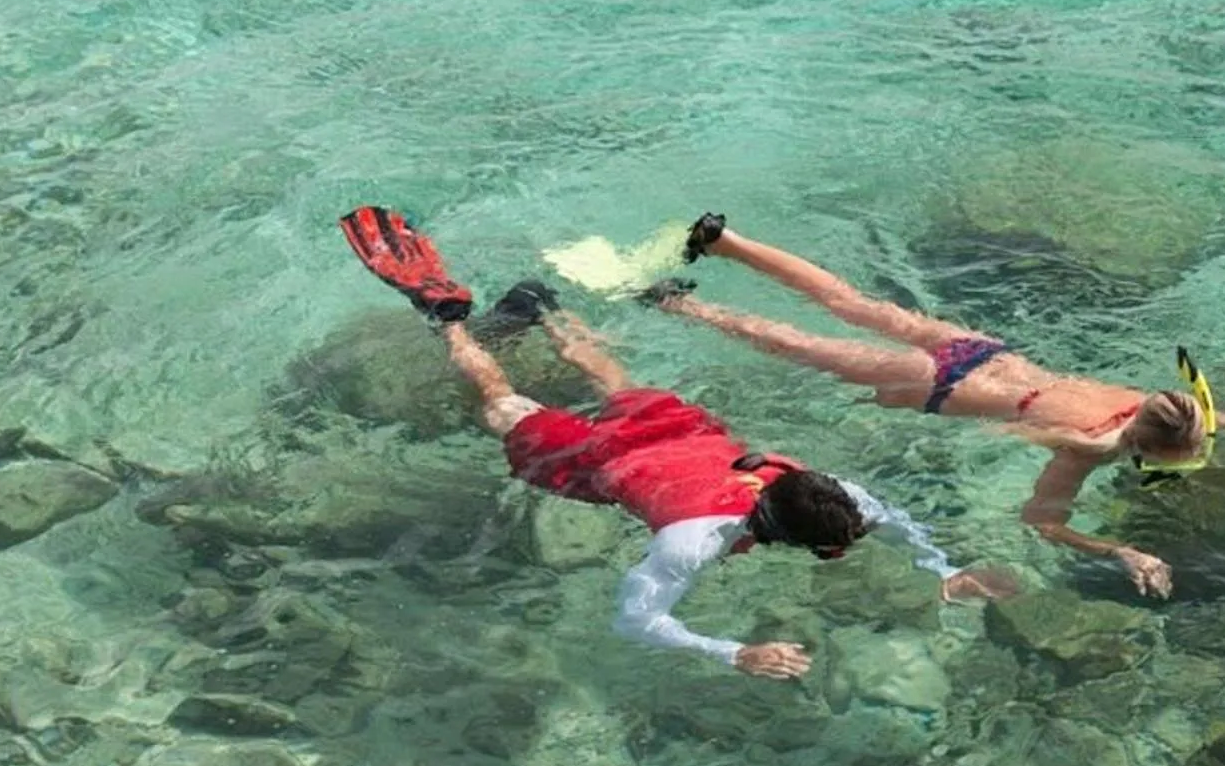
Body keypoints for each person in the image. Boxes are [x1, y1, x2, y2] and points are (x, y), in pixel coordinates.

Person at [338, 207, 1011, 681]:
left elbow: (886, 519)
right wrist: (730, 652)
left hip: (681, 435)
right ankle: (448, 318)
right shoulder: (690, 544)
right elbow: (635, 621)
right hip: (607, 462)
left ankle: (543, 307)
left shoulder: (824, 487)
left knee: (612, 379)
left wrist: (941, 568)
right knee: (503, 407)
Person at [638, 214, 1225, 598]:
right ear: (1144, 450)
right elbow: (1042, 523)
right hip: (938, 384)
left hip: (980, 351)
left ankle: (724, 240)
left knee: (846, 301)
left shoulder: (1161, 407)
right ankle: (679, 309)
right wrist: (1115, 548)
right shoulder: (1084, 449)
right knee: (802, 347)